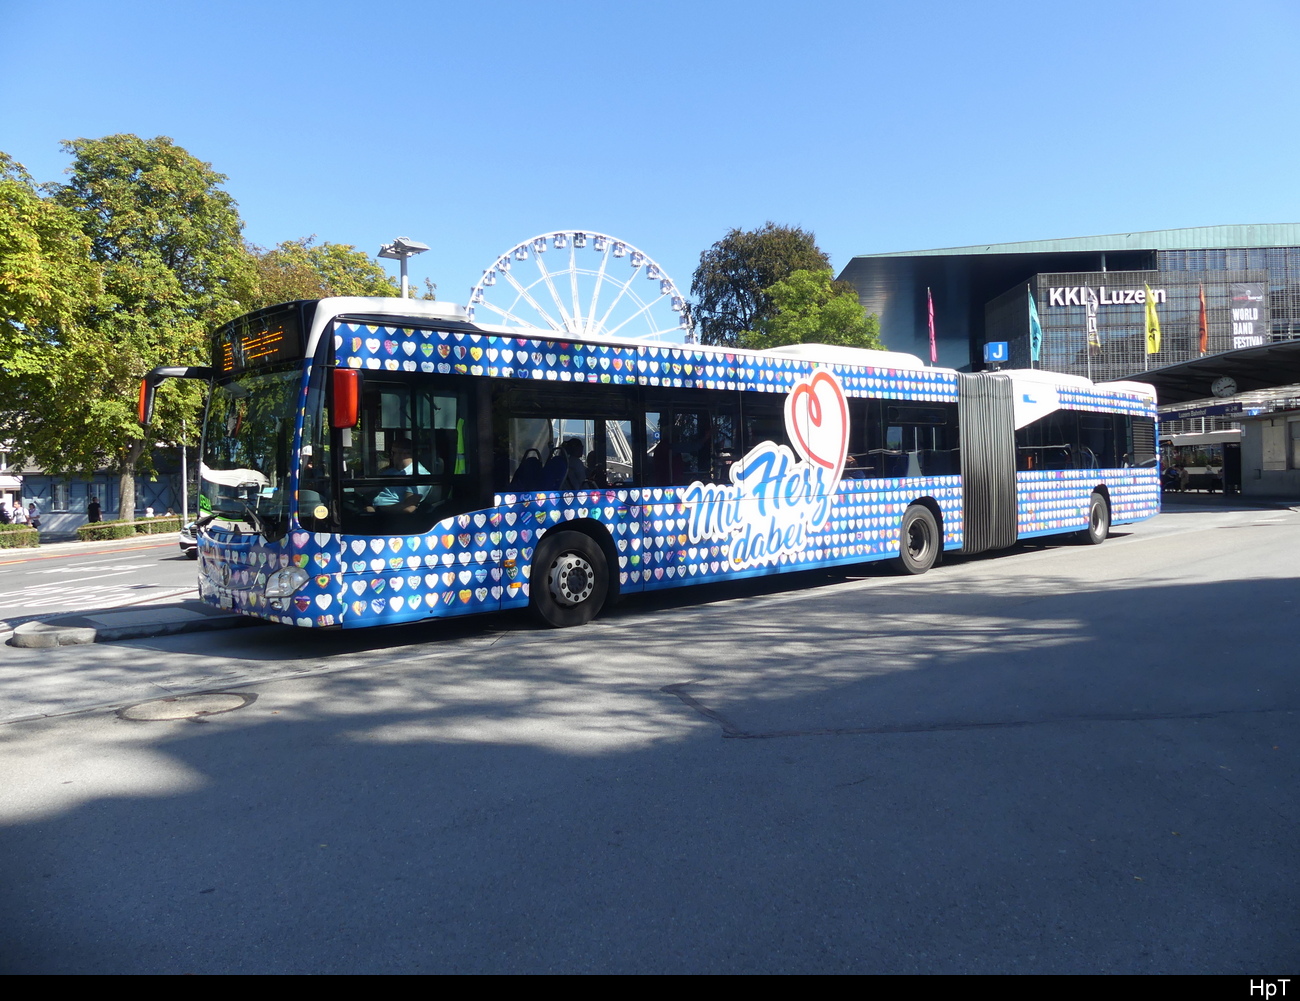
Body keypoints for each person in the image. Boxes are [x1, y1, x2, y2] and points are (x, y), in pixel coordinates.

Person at [368, 437, 436, 513]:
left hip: (391, 517)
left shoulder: (419, 475)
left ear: (403, 453)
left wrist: (377, 509)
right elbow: (372, 486)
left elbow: (409, 508)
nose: (391, 457)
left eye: (392, 453)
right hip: (375, 508)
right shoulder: (391, 472)